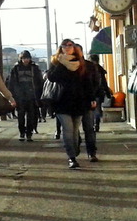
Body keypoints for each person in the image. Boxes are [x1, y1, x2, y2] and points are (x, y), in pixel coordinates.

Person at [46, 39, 96, 169]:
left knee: (74, 131)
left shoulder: (80, 63)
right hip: (62, 102)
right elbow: (51, 77)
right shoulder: (56, 62)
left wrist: (92, 98)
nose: (67, 47)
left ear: (74, 48)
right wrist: (61, 63)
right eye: (64, 45)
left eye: (70, 45)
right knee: (67, 130)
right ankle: (71, 157)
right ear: (61, 48)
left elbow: (87, 82)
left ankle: (74, 150)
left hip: (79, 102)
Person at [7, 50, 43, 142]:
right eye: (24, 58)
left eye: (27, 58)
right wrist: (12, 96)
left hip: (32, 96)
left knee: (31, 116)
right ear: (21, 59)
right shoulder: (16, 69)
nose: (26, 60)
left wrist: (39, 95)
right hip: (20, 96)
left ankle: (29, 133)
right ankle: (22, 132)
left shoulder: (34, 68)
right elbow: (11, 83)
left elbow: (39, 82)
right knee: (21, 116)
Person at [78, 44, 101, 162]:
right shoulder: (66, 66)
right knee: (72, 130)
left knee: (89, 128)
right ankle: (76, 145)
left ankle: (92, 152)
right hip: (72, 103)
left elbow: (96, 82)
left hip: (87, 101)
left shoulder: (90, 66)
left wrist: (92, 96)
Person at [89, 54, 111, 132]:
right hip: (98, 93)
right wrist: (108, 92)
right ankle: (96, 125)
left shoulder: (88, 69)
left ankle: (93, 125)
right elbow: (104, 83)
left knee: (91, 110)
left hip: (91, 93)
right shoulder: (100, 70)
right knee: (97, 109)